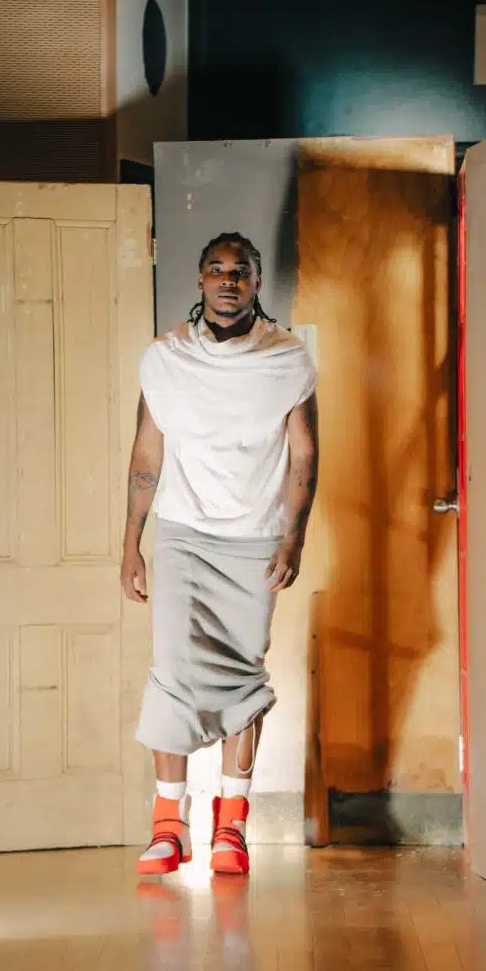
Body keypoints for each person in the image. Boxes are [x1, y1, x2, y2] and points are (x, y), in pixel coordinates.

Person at [121, 232, 319, 877]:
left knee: (241, 671)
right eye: (217, 270)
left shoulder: (288, 359)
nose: (228, 282)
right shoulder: (167, 358)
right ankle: (168, 825)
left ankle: (231, 826)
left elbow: (305, 454)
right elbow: (147, 452)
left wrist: (294, 536)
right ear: (201, 281)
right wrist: (132, 544)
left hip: (255, 538)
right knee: (173, 667)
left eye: (241, 272)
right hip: (183, 533)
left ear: (258, 284)